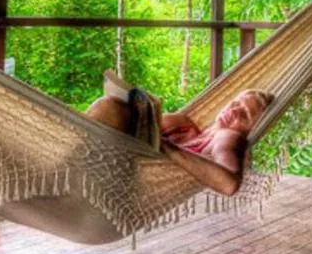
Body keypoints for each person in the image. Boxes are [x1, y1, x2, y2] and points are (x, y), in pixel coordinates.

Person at [85, 71, 272, 196]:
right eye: (235, 104)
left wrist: (168, 149)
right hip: (112, 163)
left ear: (251, 129)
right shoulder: (184, 124)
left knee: (108, 107)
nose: (234, 111)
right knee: (110, 106)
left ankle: (70, 168)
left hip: (128, 180)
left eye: (244, 115)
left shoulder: (227, 137)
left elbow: (229, 184)